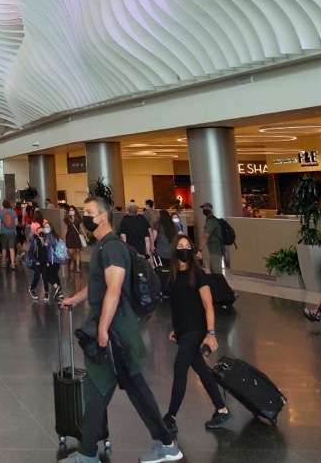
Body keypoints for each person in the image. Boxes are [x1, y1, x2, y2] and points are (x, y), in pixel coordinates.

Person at [60, 196, 180, 463]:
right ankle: (166, 443)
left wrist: (102, 328)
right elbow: (101, 285)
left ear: (102, 216)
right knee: (130, 390)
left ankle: (88, 453)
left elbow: (114, 289)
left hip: (115, 331)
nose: (85, 216)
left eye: (89, 212)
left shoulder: (112, 247)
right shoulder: (106, 247)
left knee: (98, 391)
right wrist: (75, 299)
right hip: (118, 330)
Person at [163, 234, 231, 433]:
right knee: (201, 370)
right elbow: (180, 304)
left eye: (187, 245)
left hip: (196, 329)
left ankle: (170, 417)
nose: (184, 249)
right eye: (181, 246)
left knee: (179, 368)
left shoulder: (198, 273)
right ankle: (222, 409)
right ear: (175, 249)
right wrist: (176, 329)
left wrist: (211, 333)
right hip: (183, 330)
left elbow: (208, 305)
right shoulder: (174, 274)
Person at [198, 203, 225, 275]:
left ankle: (220, 285)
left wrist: (200, 249)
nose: (204, 210)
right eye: (203, 208)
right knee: (213, 271)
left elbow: (206, 236)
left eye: (206, 208)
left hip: (216, 249)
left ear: (211, 209)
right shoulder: (211, 219)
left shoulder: (211, 220)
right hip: (215, 249)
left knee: (217, 272)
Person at [0, 200, 18, 269]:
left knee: (4, 248)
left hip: (3, 232)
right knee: (12, 248)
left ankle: (3, 263)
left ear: (3, 205)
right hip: (12, 232)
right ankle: (12, 263)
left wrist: (0, 231)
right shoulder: (13, 212)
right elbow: (16, 223)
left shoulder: (0, 212)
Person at [64, 207, 84, 277]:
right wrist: (64, 238)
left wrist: (85, 236)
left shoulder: (78, 218)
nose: (71, 211)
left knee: (78, 251)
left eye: (73, 210)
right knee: (71, 252)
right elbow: (65, 229)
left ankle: (78, 267)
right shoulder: (67, 219)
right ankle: (72, 260)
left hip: (77, 237)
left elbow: (81, 227)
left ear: (75, 211)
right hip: (69, 237)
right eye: (70, 210)